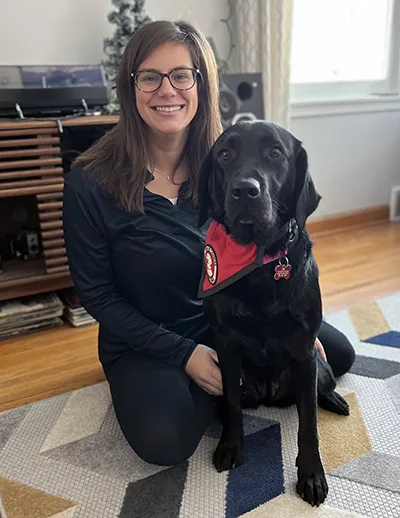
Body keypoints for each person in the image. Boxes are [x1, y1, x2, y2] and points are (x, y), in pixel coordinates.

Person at [62, 20, 355, 467]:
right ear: (129, 86)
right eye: (149, 77)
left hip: (225, 315)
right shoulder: (89, 179)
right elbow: (97, 296)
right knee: (165, 439)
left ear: (201, 85)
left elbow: (272, 245)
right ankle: (186, 388)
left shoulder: (224, 161)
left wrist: (302, 322)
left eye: (181, 75)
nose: (167, 90)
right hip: (148, 335)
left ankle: (230, 383)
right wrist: (185, 355)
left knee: (336, 354)